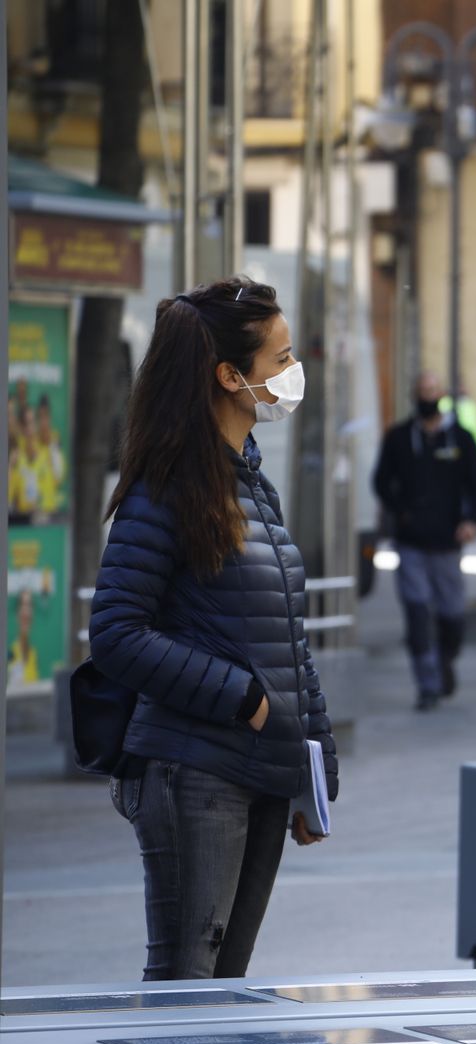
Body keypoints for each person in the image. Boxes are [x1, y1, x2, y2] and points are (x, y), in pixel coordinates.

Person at [89, 277, 337, 981]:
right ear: (231, 377)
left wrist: (314, 761)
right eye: (280, 361)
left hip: (263, 769)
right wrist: (244, 700)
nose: (293, 376)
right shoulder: (166, 487)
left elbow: (286, 634)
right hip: (193, 770)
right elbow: (116, 633)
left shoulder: (252, 484)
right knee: (185, 985)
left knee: (225, 986)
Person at [372, 370, 476, 711]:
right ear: (414, 395)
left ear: (442, 395)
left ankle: (444, 660)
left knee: (452, 615)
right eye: (422, 391)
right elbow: (381, 481)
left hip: (448, 542)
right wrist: (399, 512)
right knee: (417, 610)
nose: (428, 396)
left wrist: (471, 521)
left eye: (433, 390)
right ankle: (428, 684)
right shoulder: (398, 438)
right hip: (411, 542)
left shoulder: (461, 440)